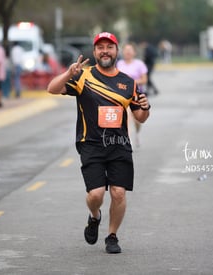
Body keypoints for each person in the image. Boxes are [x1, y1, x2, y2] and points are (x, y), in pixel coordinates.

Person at [47, 32, 150, 254]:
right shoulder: (83, 76)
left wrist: (145, 106)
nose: (105, 50)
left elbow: (140, 117)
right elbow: (51, 89)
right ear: (94, 52)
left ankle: (112, 236)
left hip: (119, 144)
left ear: (116, 51)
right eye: (100, 47)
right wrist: (68, 73)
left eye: (109, 47)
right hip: (91, 144)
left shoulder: (128, 82)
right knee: (96, 195)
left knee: (119, 193)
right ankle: (95, 217)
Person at [117, 42, 148, 147]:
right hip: (122, 95)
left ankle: (137, 133)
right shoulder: (119, 64)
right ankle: (127, 140)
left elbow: (144, 80)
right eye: (126, 50)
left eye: (130, 50)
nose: (128, 52)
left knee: (137, 120)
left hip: (137, 95)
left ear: (134, 52)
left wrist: (131, 83)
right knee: (126, 118)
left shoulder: (139, 64)